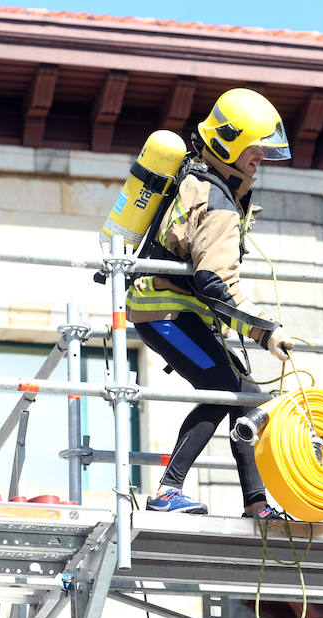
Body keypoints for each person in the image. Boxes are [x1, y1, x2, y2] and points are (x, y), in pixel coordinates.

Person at [126, 88, 295, 519]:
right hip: (167, 312)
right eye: (254, 153)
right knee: (225, 393)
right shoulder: (218, 199)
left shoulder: (204, 182)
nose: (260, 161)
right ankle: (167, 491)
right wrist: (265, 330)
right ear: (229, 146)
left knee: (247, 399)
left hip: (173, 310)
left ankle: (256, 504)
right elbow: (215, 281)